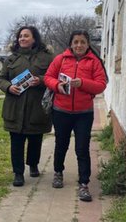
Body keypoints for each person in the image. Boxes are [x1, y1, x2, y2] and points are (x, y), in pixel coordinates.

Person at [45, 30, 108, 203]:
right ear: (71, 44)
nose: (79, 45)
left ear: (88, 44)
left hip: (83, 113)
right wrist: (58, 85)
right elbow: (48, 77)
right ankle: (58, 173)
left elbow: (101, 85)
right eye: (76, 42)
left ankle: (84, 183)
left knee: (82, 148)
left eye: (82, 42)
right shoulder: (60, 59)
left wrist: (83, 83)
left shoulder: (94, 62)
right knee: (61, 144)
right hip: (61, 111)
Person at [0, 25, 55, 186]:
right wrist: (9, 87)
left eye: (26, 36)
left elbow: (54, 77)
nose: (22, 38)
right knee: (16, 141)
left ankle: (33, 164)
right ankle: (18, 173)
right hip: (15, 107)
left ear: (34, 38)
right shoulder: (11, 59)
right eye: (20, 36)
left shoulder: (47, 58)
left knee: (35, 139)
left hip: (36, 107)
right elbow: (1, 79)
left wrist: (41, 80)